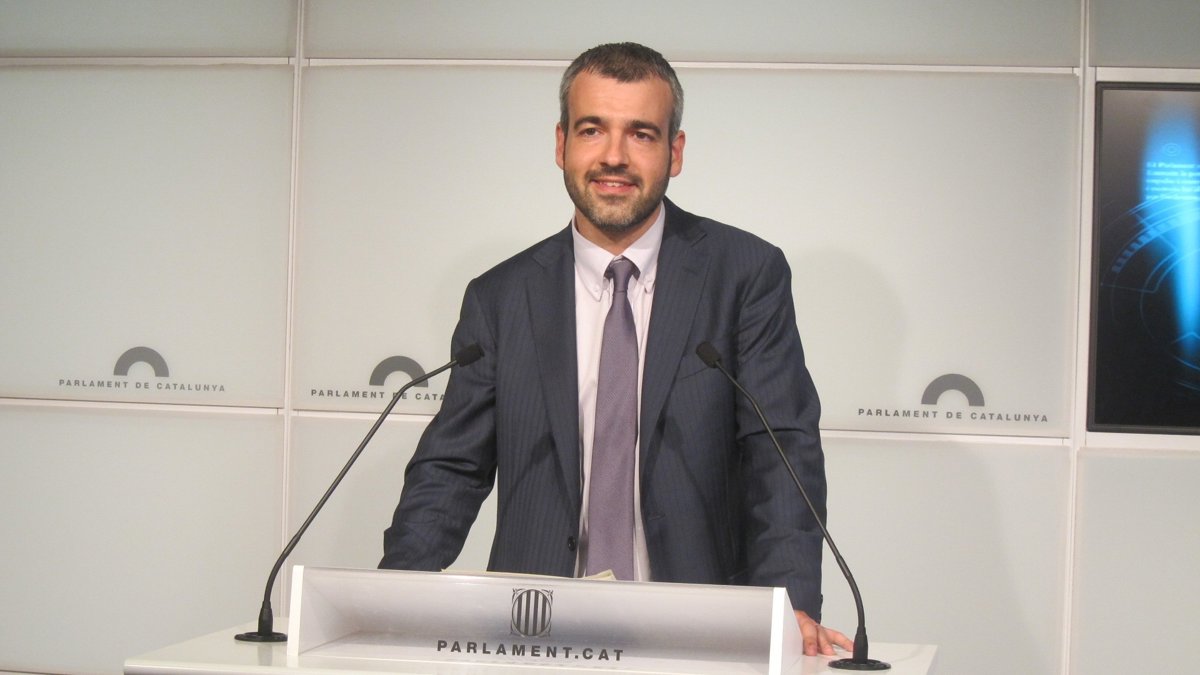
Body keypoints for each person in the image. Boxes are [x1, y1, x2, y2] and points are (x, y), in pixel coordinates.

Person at [381, 42, 850, 656]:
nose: (613, 156)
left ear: (675, 152)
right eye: (592, 129)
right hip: (534, 633)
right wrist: (396, 597)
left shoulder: (744, 275)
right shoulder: (500, 297)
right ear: (561, 145)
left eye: (641, 134)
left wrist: (790, 603)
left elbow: (779, 450)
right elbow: (453, 467)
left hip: (700, 630)